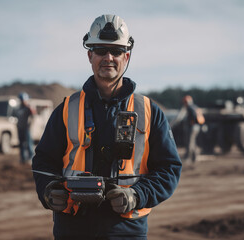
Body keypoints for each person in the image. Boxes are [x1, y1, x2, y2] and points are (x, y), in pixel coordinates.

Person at [32, 14, 182, 239]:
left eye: (117, 51)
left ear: (127, 56)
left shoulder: (149, 111)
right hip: (73, 227)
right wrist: (49, 189)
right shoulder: (67, 109)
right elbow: (43, 161)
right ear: (90, 55)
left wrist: (136, 195)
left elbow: (169, 169)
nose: (108, 57)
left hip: (125, 230)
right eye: (101, 50)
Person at [171, 95, 205, 163]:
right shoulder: (195, 107)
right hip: (197, 127)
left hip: (192, 127)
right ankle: (194, 157)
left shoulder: (189, 108)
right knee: (193, 142)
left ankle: (188, 158)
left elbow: (180, 117)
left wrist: (172, 124)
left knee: (189, 142)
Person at [15, 92, 35, 164]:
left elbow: (33, 115)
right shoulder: (18, 109)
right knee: (21, 143)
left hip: (27, 128)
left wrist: (30, 125)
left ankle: (31, 158)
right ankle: (23, 158)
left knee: (29, 143)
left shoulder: (28, 108)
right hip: (20, 128)